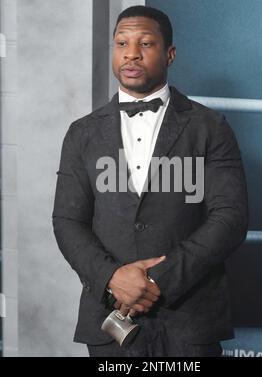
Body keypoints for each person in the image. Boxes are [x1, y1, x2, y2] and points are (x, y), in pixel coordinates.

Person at [52, 5, 248, 357]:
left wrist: (158, 281)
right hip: (110, 322)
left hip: (190, 322)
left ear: (170, 54)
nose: (131, 53)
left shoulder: (210, 127)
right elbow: (67, 221)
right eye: (122, 43)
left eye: (146, 43)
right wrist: (113, 278)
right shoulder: (81, 134)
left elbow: (230, 218)